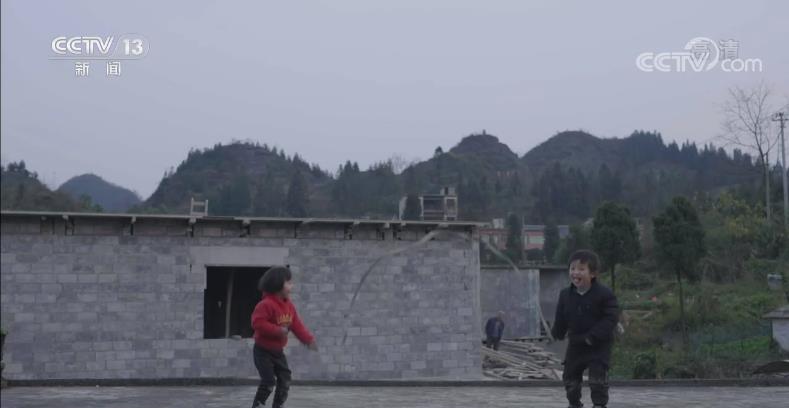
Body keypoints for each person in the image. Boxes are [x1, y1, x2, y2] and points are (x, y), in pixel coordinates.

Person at [551, 250, 619, 408]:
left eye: (581, 269)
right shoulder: (565, 295)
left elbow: (610, 318)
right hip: (576, 344)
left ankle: (599, 405)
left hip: (598, 345)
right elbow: (561, 317)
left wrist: (593, 336)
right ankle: (574, 404)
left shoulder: (604, 294)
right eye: (572, 268)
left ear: (593, 273)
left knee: (597, 380)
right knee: (570, 380)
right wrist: (557, 332)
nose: (575, 273)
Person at [250, 266, 318, 408]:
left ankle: (278, 405)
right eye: (288, 282)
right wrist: (277, 330)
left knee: (285, 379)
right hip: (262, 351)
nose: (292, 286)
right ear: (277, 284)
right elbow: (257, 323)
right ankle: (258, 404)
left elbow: (297, 325)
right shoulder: (265, 305)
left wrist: (308, 340)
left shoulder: (289, 307)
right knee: (268, 381)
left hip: (278, 352)